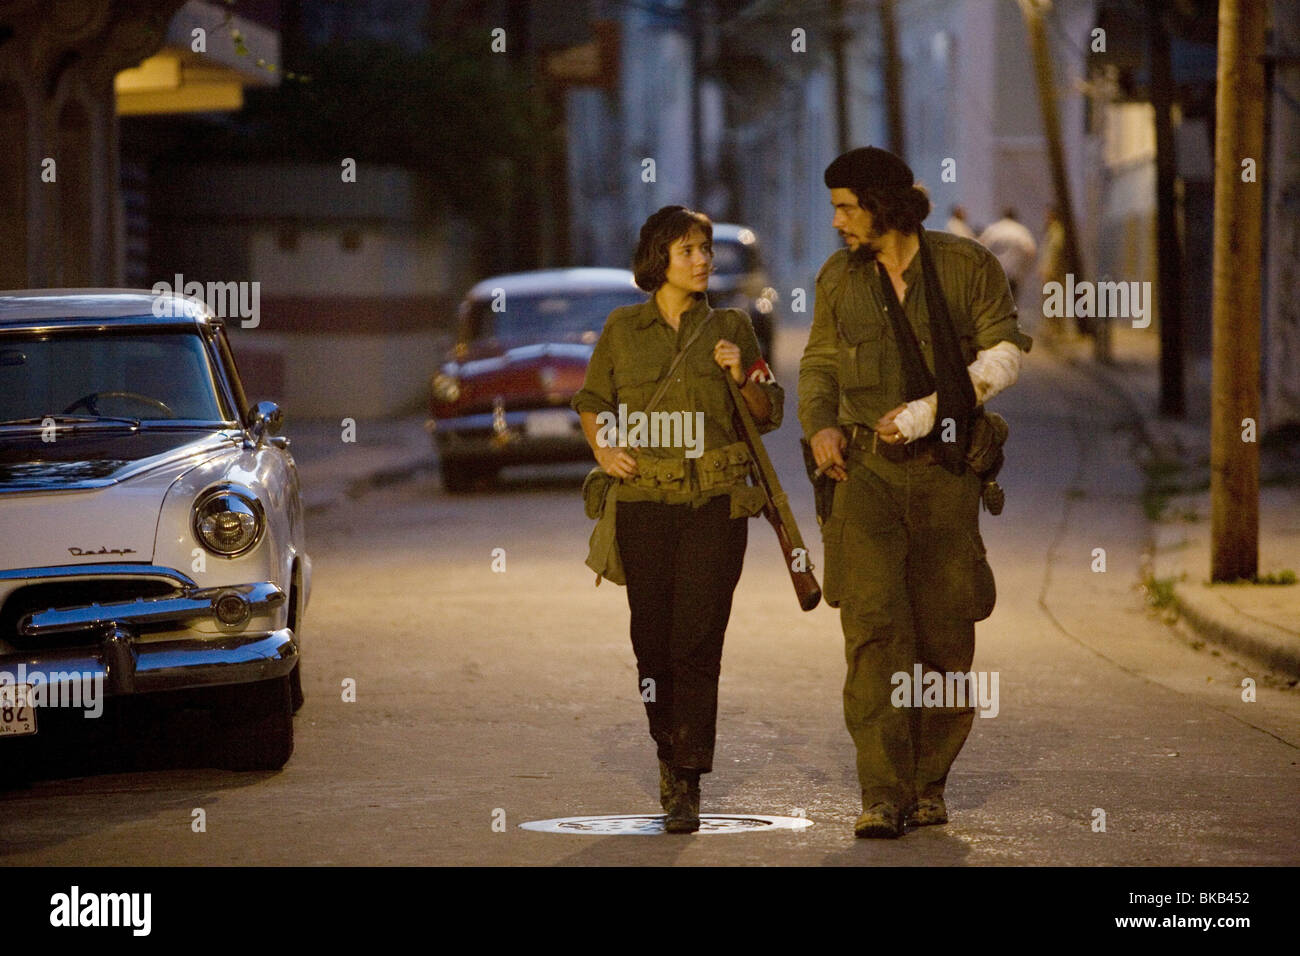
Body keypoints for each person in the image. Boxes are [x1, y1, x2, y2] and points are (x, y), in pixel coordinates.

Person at [797, 147, 1031, 838]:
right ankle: (882, 791)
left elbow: (1005, 355)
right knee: (872, 632)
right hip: (865, 476)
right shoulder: (840, 278)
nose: (838, 221)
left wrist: (927, 412)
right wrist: (820, 427)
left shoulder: (965, 266)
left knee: (945, 638)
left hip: (945, 475)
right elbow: (818, 362)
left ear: (884, 205)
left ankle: (929, 783)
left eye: (847, 207)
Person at [571, 205, 784, 833]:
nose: (703, 260)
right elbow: (592, 401)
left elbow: (768, 409)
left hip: (716, 506)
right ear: (659, 257)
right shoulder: (622, 328)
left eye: (706, 249)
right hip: (644, 507)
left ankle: (687, 776)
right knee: (652, 643)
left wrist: (737, 372)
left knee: (697, 640)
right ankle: (667, 750)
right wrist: (604, 450)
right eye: (689, 250)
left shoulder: (733, 328)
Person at [978, 207, 1037, 300]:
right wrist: (1024, 269)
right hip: (1013, 274)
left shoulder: (994, 229)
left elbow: (980, 246)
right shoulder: (1021, 231)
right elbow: (1031, 251)